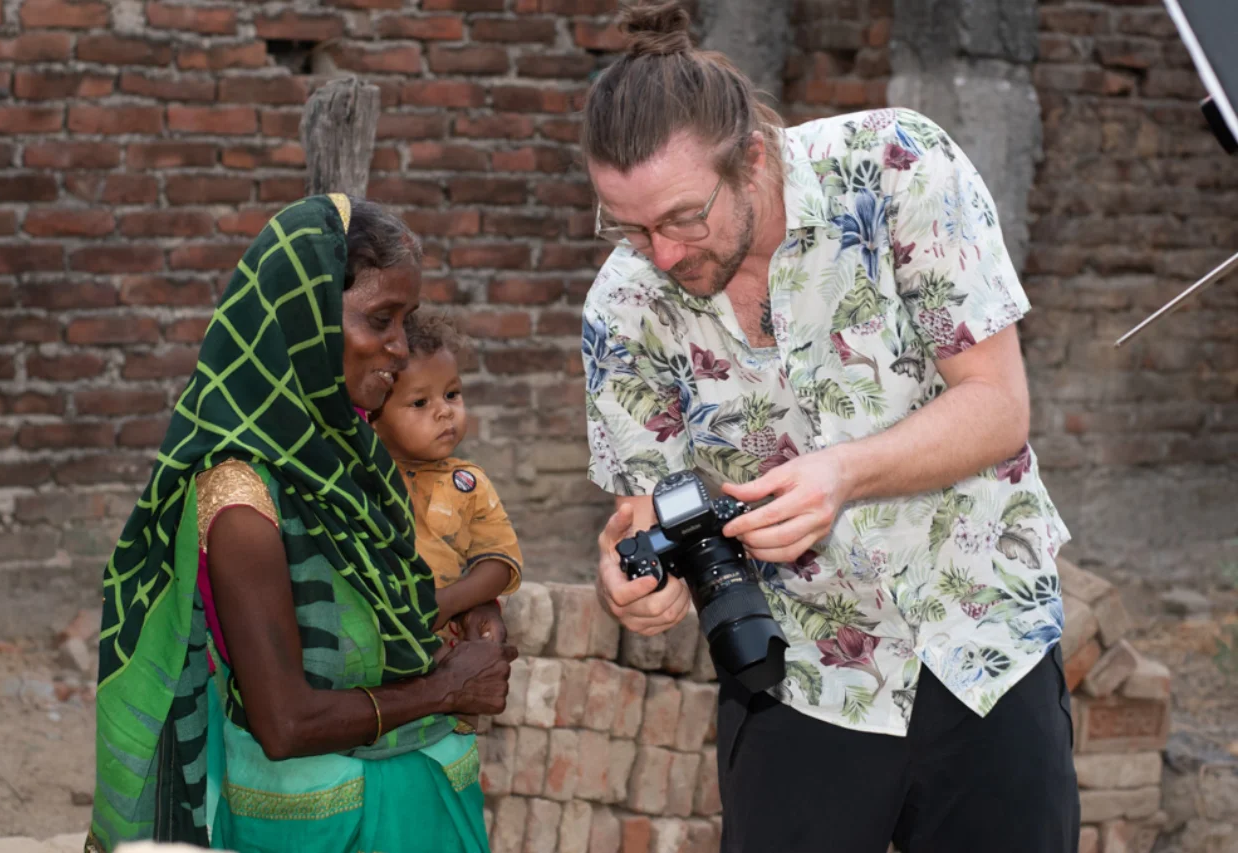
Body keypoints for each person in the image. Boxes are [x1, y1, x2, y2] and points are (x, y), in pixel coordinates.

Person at [580, 3, 1079, 851]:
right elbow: (645, 510)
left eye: (681, 218)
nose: (659, 253)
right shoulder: (622, 307)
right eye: (627, 225)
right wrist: (624, 580)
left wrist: (840, 472)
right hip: (798, 679)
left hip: (983, 643)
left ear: (752, 159)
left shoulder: (900, 168)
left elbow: (997, 406)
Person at [86, 195, 517, 853]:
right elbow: (285, 720)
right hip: (323, 825)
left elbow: (396, 603)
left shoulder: (350, 452)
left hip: (418, 795)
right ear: (305, 320)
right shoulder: (241, 496)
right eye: (381, 319)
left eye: (408, 320)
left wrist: (475, 613)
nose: (401, 349)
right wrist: (447, 686)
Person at [369, 308, 524, 639]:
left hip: (445, 641)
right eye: (420, 402)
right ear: (375, 416)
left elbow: (499, 562)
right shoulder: (362, 476)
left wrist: (446, 603)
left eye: (451, 394)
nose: (444, 411)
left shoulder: (469, 484)